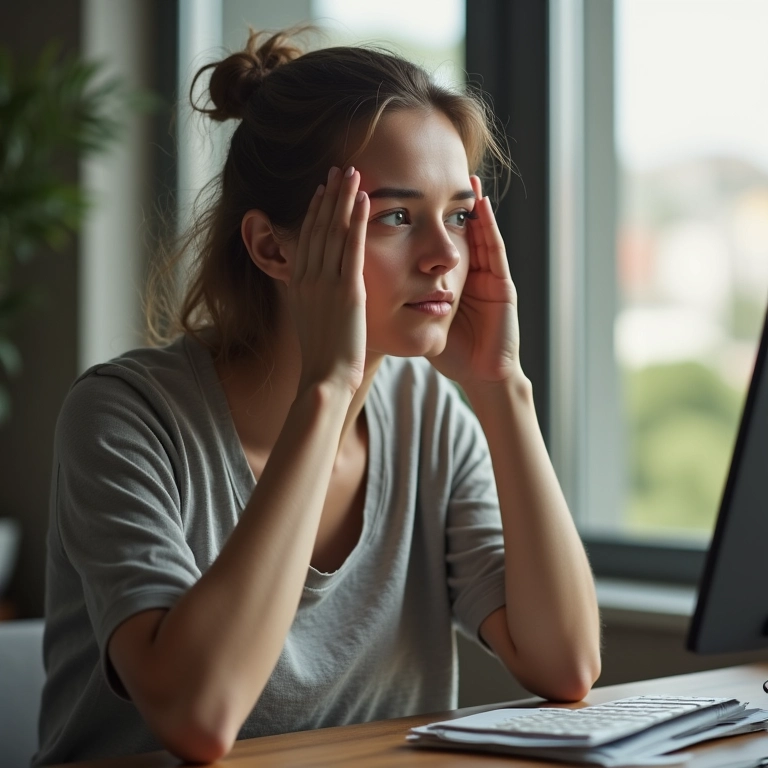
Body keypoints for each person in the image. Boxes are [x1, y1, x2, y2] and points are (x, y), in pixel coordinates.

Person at [35, 28, 601, 766]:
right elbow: (198, 719)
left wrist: (504, 391)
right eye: (396, 217)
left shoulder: (430, 418)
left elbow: (564, 664)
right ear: (273, 248)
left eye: (459, 214)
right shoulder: (124, 418)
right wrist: (328, 389)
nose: (444, 257)